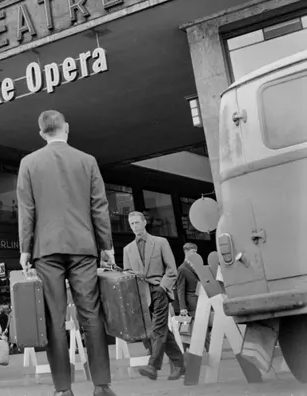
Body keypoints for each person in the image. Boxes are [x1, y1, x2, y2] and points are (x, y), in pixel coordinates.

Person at [17, 110, 117, 396]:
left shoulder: (28, 163)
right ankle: (101, 385)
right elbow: (99, 207)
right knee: (91, 314)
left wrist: (25, 249)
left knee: (54, 318)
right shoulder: (87, 161)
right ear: (66, 128)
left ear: (41, 133)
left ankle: (63, 389)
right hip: (83, 247)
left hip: (46, 248)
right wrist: (107, 246)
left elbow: (27, 210)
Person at [123, 211, 185, 381]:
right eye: (131, 224)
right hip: (141, 295)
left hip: (159, 290)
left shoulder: (160, 242)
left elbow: (172, 269)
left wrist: (163, 287)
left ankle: (153, 366)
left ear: (144, 222)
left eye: (137, 222)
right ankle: (180, 364)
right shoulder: (127, 249)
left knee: (157, 329)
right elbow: (128, 275)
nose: (134, 226)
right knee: (160, 331)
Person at [176, 243, 200, 318]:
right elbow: (180, 289)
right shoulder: (182, 269)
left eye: (196, 252)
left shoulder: (198, 265)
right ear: (186, 251)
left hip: (201, 300)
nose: (196, 254)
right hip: (192, 304)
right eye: (193, 252)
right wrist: (183, 308)